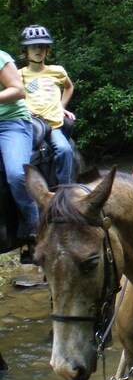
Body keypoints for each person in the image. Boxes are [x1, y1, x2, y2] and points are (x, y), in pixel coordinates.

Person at [19, 25, 75, 185]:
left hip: (53, 125)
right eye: (33, 46)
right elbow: (16, 96)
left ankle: (65, 189)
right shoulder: (19, 74)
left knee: (64, 150)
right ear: (25, 51)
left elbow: (69, 87)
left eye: (42, 46)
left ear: (47, 50)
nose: (38, 50)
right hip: (31, 124)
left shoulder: (57, 71)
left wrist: (61, 106)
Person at [0, 47, 39, 262]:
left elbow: (18, 89)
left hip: (11, 124)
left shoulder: (1, 58)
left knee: (16, 174)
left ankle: (35, 229)